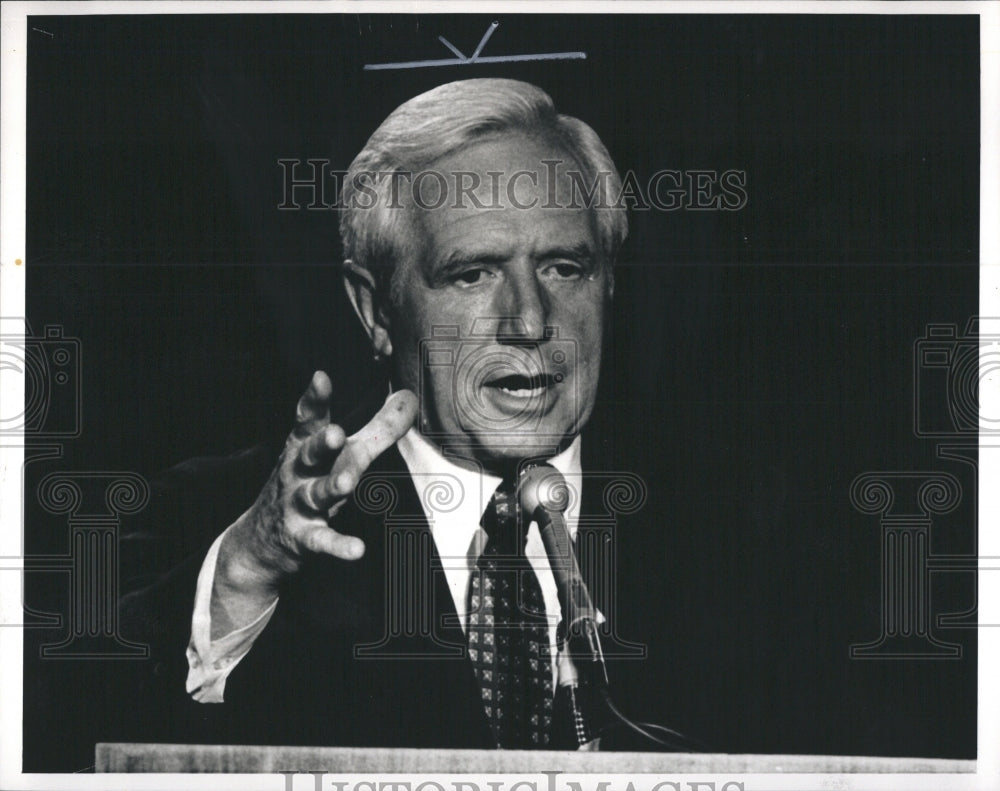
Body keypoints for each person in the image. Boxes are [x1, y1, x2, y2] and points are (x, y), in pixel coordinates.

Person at [118, 78, 644, 752]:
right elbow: (60, 731)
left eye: (564, 267)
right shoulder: (215, 522)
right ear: (376, 311)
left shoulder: (740, 535)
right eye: (472, 273)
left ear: (608, 281)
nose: (530, 321)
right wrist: (248, 573)